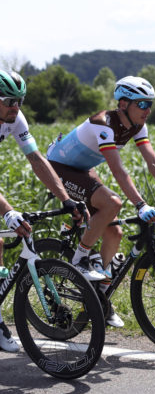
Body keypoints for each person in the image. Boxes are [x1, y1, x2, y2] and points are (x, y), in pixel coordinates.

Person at [46, 76, 155, 328]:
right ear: (124, 104)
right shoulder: (102, 124)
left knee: (115, 233)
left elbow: (154, 164)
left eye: (150, 104)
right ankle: (80, 258)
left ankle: (100, 298)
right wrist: (141, 205)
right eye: (142, 104)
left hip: (81, 170)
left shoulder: (138, 126)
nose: (147, 110)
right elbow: (118, 170)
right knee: (113, 203)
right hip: (58, 169)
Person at [0, 70, 87, 352]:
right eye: (9, 101)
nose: (15, 107)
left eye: (20, 101)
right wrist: (8, 212)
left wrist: (66, 200)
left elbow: (37, 159)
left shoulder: (16, 119)